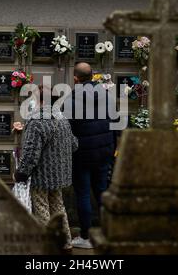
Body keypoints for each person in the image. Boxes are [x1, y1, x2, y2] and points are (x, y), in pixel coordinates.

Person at [14, 85, 78, 250]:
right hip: (59, 175)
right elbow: (74, 145)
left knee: (41, 209)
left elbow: (30, 153)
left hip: (41, 175)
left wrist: (21, 173)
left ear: (39, 99)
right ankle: (66, 243)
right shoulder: (62, 118)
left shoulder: (37, 121)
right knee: (59, 208)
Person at [69, 62, 116, 249]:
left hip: (82, 155)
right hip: (104, 152)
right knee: (102, 192)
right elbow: (115, 122)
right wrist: (112, 148)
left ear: (75, 79)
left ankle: (86, 237)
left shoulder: (72, 99)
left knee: (83, 194)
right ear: (93, 75)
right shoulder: (107, 95)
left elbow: (68, 129)